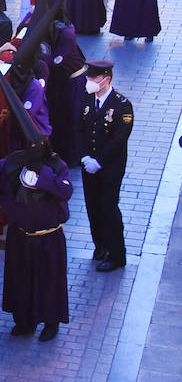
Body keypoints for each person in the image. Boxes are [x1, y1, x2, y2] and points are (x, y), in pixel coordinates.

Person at [0, 67, 73, 341]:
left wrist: (43, 180)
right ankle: (24, 320)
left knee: (49, 281)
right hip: (21, 236)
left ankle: (50, 321)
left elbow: (65, 191)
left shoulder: (55, 166)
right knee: (22, 281)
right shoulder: (12, 164)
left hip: (48, 238)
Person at [78, 60, 132, 273]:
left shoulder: (122, 105)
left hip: (109, 168)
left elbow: (119, 139)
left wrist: (98, 162)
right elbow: (80, 129)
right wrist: (83, 157)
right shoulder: (87, 99)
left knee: (108, 209)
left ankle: (116, 254)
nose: (89, 82)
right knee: (93, 207)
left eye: (93, 78)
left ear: (106, 80)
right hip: (88, 165)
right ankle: (100, 246)